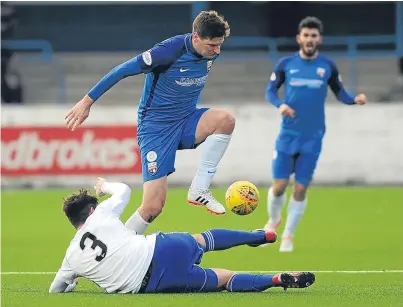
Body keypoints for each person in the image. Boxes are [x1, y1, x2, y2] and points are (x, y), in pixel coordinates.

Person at [64, 11, 235, 237]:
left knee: (226, 120)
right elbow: (122, 70)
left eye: (220, 45)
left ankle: (199, 188)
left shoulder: (211, 52)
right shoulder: (168, 51)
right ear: (196, 37)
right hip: (156, 129)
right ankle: (117, 247)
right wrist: (87, 102)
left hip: (186, 120)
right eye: (212, 45)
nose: (217, 51)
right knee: (153, 207)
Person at [49, 177, 315, 294]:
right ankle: (257, 236)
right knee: (203, 240)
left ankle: (275, 279)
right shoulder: (101, 214)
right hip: (160, 248)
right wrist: (104, 186)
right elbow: (124, 191)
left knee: (225, 280)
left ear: (73, 221)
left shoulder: (71, 256)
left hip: (152, 285)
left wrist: (70, 285)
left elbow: (56, 289)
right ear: (92, 210)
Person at [262, 16, 367, 252]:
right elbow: (270, 91)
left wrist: (354, 100)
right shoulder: (285, 64)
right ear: (299, 38)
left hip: (313, 137)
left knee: (300, 188)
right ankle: (273, 220)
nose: (309, 39)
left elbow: (340, 92)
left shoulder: (327, 66)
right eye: (306, 35)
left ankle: (288, 235)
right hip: (288, 135)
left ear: (319, 39)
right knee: (279, 186)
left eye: (313, 36)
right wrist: (280, 105)